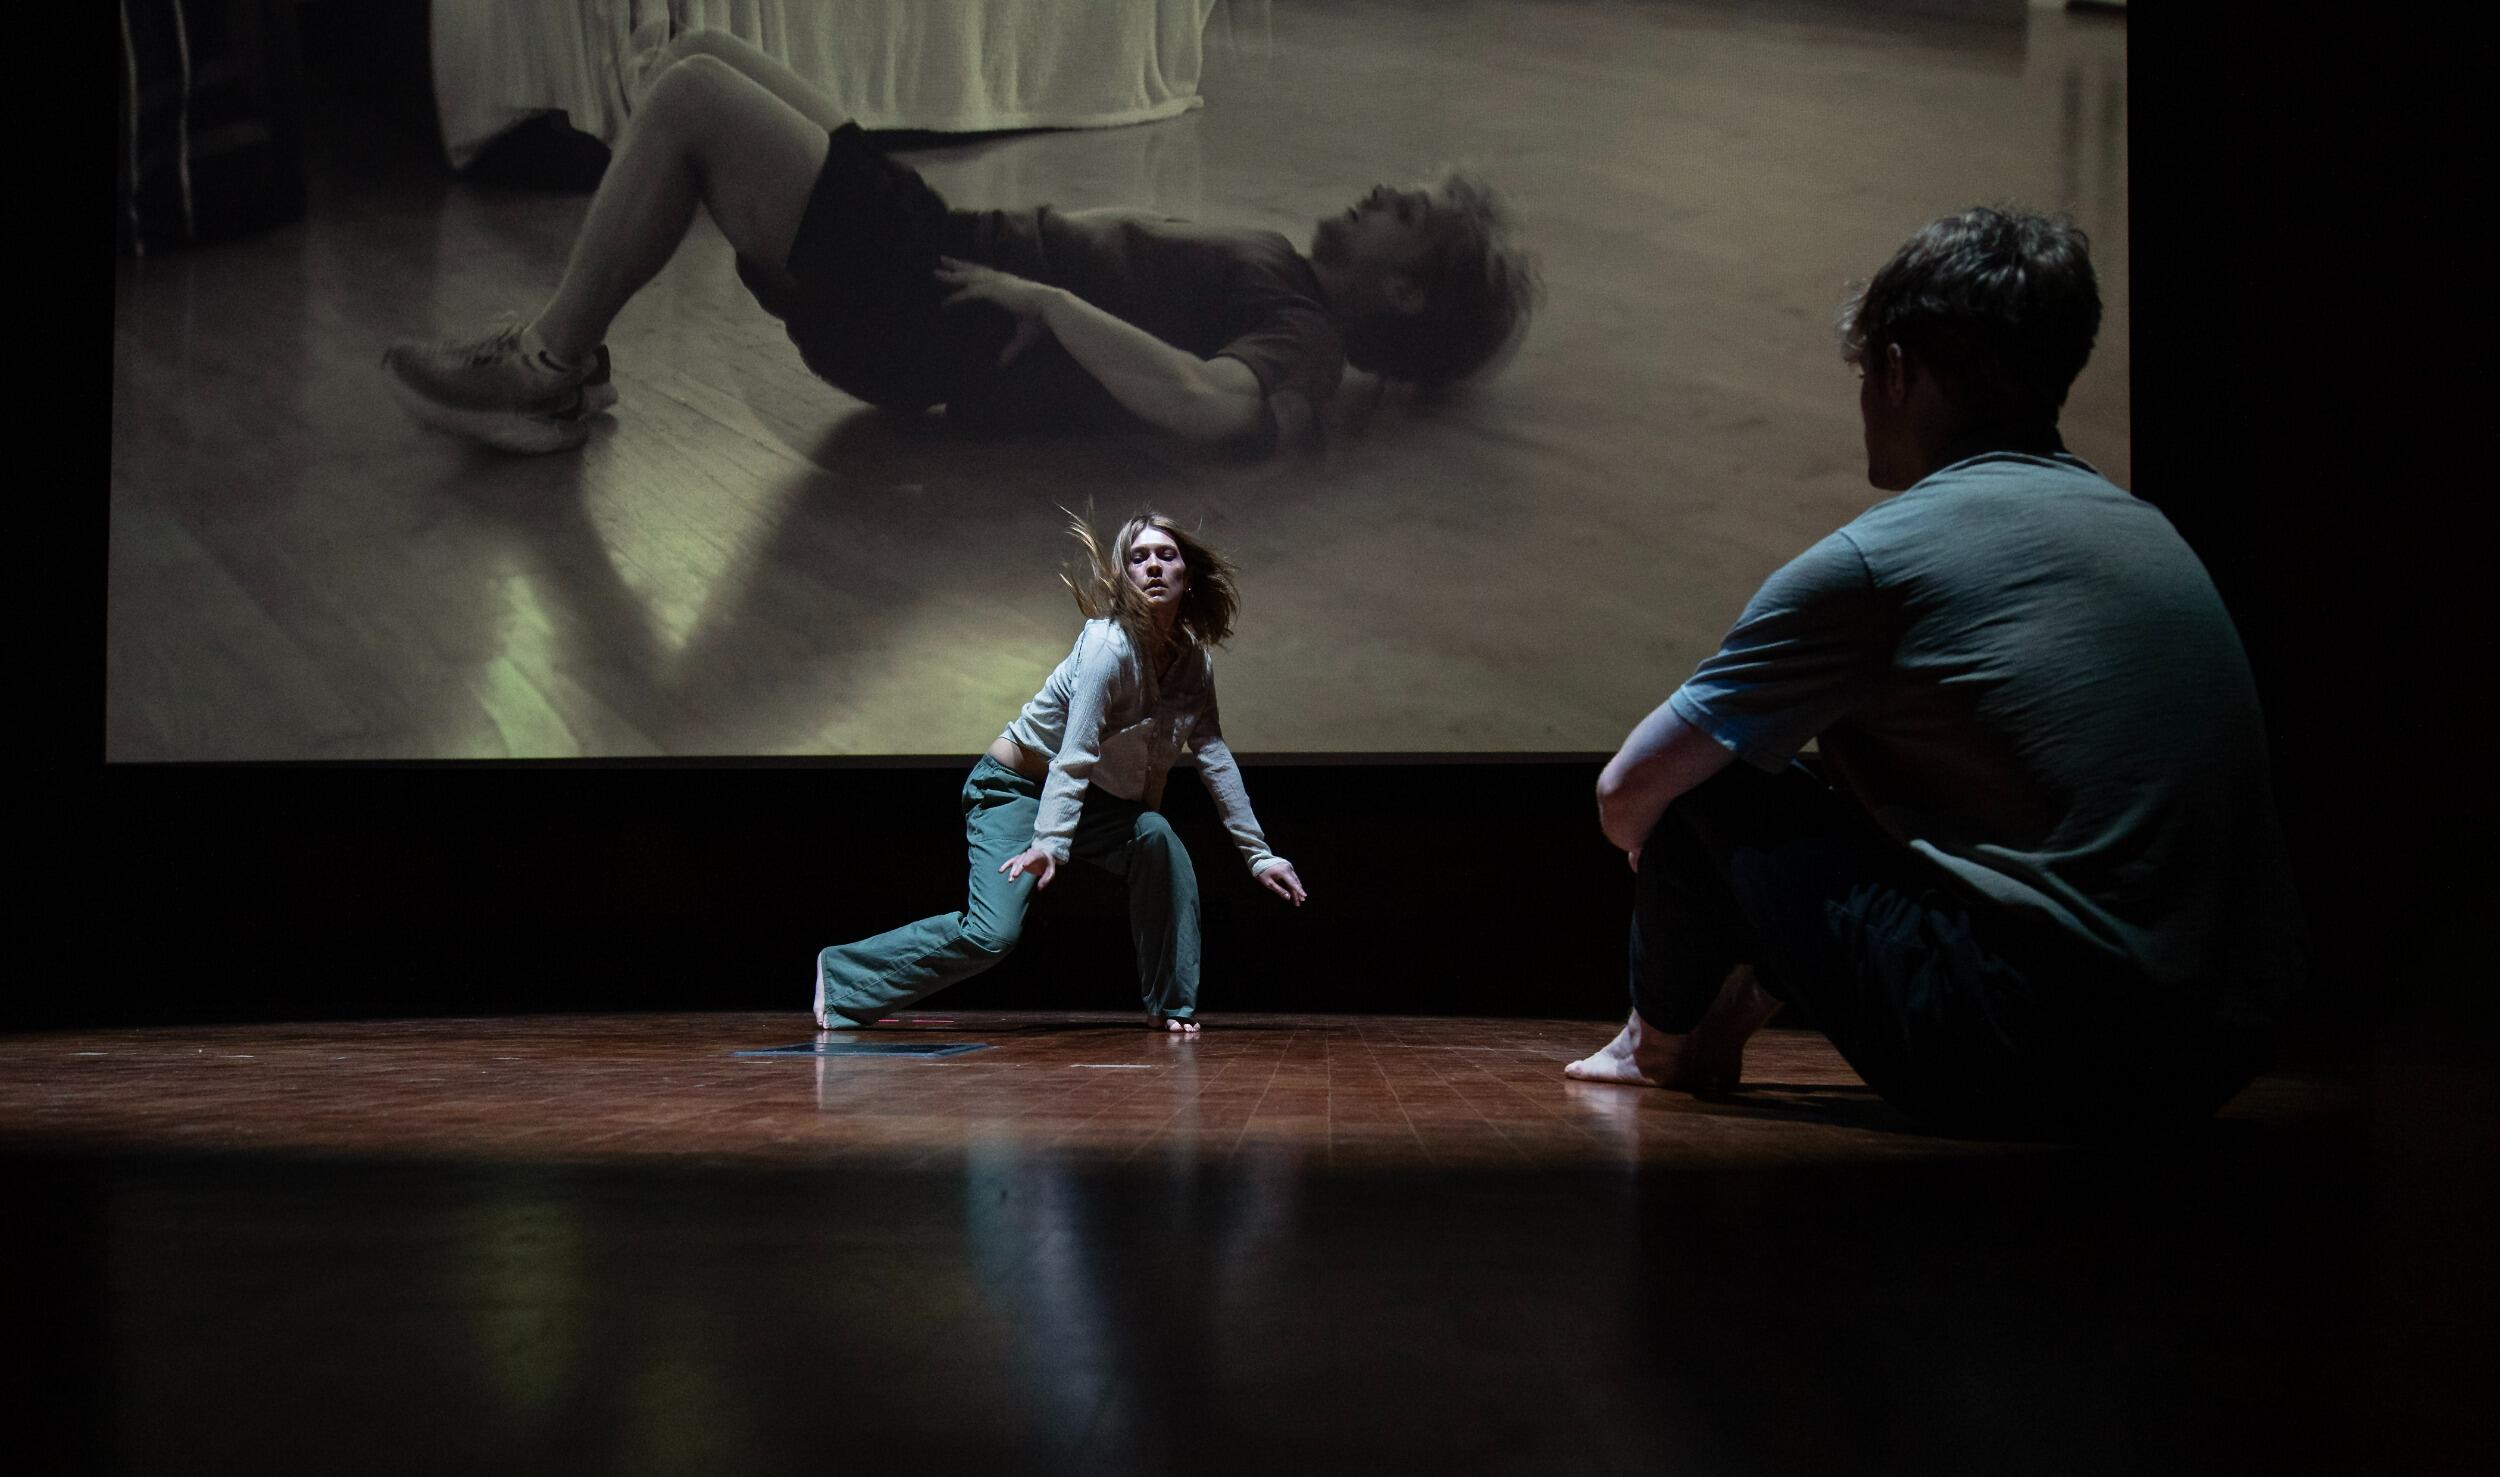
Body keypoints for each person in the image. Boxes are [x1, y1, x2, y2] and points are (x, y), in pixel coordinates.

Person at [1565, 206, 2304, 1137]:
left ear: (1898, 369)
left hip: (2030, 1045)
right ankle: (1727, 1001)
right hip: (2221, 1052)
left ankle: (1657, 1045)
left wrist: (1686, 855)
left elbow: (1624, 792)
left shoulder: (1876, 563)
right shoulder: (2152, 534)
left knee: (1705, 790)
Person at [383, 27, 1535, 456]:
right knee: (700, 54)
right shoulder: (1288, 274)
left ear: (1404, 291)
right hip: (936, 246)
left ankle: (547, 367)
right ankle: (564, 358)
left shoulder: (1303, 337)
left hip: (927, 307)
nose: (1382, 190)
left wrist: (1046, 307)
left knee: (688, 98)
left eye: (1408, 212)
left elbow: (1208, 406)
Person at [812, 512, 1306, 1033]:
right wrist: (1049, 841)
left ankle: (1172, 1005)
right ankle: (846, 976)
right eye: (1139, 558)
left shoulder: (1192, 664)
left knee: (1155, 837)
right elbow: (1074, 754)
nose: (1154, 567)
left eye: (1167, 555)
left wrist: (1258, 855)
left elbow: (1214, 756)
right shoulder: (1105, 647)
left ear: (1189, 573)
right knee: (992, 934)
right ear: (1125, 578)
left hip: (1094, 802)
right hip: (1015, 789)